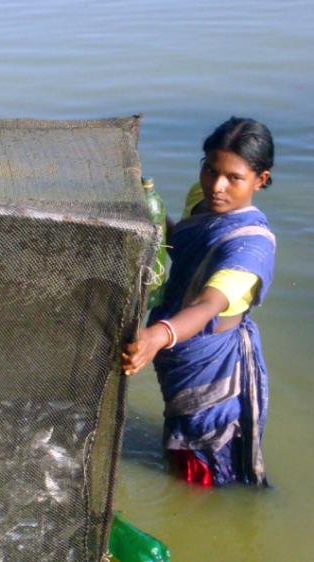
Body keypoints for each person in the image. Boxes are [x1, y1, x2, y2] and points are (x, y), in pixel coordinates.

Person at [122, 117, 276, 487]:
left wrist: (158, 336)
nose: (217, 186)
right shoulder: (204, 200)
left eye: (234, 178)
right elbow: (188, 246)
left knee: (201, 460)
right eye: (210, 170)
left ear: (261, 180)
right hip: (180, 346)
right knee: (179, 435)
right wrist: (156, 222)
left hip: (209, 363)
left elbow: (209, 303)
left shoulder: (251, 246)